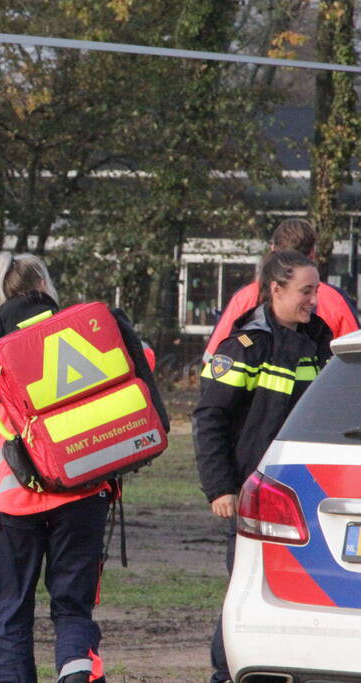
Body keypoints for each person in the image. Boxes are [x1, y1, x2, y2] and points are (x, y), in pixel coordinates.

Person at [0, 251, 110, 683]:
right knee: (73, 608)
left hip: (13, 503)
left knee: (12, 614)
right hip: (83, 492)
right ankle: (75, 676)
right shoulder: (81, 338)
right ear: (44, 289)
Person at [193, 249, 332, 683]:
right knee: (248, 589)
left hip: (309, 491)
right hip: (255, 494)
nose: (313, 300)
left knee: (308, 591)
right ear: (276, 289)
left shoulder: (319, 341)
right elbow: (209, 418)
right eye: (306, 291)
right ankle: (225, 674)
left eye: (316, 291)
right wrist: (221, 489)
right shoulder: (245, 347)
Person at [203, 217, 357, 362]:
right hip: (318, 389)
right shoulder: (334, 300)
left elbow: (213, 359)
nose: (312, 300)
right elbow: (353, 362)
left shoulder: (246, 297)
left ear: (272, 249)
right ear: (313, 253)